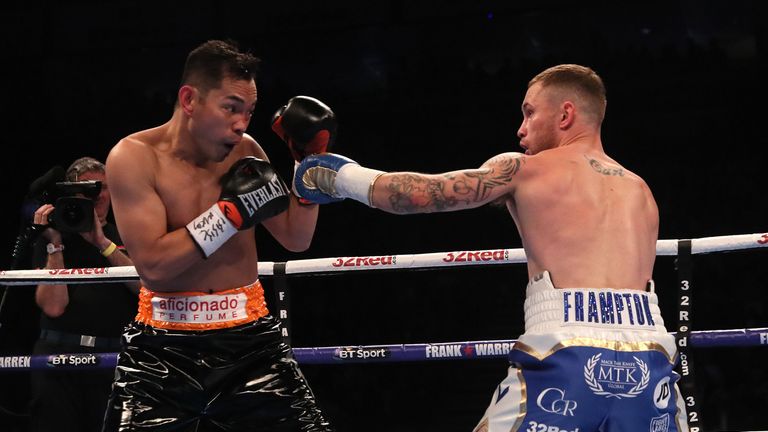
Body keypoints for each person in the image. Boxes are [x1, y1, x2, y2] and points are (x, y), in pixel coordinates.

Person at [295, 64, 688, 430]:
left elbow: (421, 194)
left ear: (565, 114)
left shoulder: (525, 169)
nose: (521, 129)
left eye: (530, 113)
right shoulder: (640, 189)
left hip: (566, 350)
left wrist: (336, 176)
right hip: (651, 355)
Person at [102, 40, 333, 431]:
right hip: (162, 352)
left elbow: (296, 237)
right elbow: (154, 266)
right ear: (189, 99)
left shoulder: (246, 151)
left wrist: (307, 164)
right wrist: (229, 215)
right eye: (231, 107)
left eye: (249, 111)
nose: (242, 123)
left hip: (251, 345)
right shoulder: (134, 157)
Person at [30, 156, 139, 432]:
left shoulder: (127, 235)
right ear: (72, 194)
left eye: (104, 187)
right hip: (58, 358)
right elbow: (53, 307)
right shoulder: (53, 237)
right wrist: (54, 245)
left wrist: (103, 243)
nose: (98, 195)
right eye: (89, 189)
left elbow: (146, 290)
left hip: (112, 358)